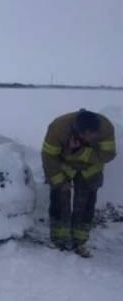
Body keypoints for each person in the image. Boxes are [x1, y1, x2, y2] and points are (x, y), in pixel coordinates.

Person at [42, 109, 117, 257]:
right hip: (63, 166)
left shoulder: (105, 127)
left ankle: (80, 242)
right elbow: (48, 156)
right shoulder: (58, 128)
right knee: (59, 201)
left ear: (97, 130)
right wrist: (59, 181)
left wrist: (81, 152)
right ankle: (59, 241)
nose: (87, 137)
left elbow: (108, 155)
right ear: (76, 129)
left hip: (90, 170)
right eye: (84, 134)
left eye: (91, 134)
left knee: (85, 205)